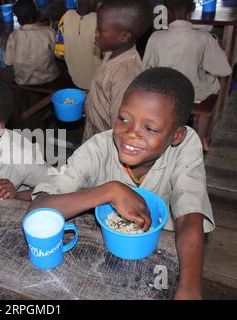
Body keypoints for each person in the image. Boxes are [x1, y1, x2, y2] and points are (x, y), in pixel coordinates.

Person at [29, 67, 215, 300]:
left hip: (162, 255)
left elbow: (189, 217)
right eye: (124, 119)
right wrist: (110, 191)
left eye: (150, 128)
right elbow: (37, 210)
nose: (130, 134)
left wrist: (189, 289)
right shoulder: (98, 148)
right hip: (100, 254)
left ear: (176, 136)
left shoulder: (186, 147)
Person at [82, 0, 152, 142]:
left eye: (100, 29)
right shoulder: (112, 52)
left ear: (124, 36)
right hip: (94, 132)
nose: (95, 33)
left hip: (105, 144)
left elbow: (121, 127)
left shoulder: (125, 76)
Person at [143, 0, 231, 103]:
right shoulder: (204, 37)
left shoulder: (155, 37)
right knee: (212, 79)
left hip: (163, 93)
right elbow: (225, 71)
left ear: (165, 12)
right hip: (193, 94)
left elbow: (145, 69)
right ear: (192, 11)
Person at [4, 0, 59, 86]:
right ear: (37, 14)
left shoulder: (13, 36)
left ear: (18, 19)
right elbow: (59, 54)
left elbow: (8, 62)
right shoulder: (49, 32)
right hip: (50, 79)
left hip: (23, 82)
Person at [54, 0, 102, 90]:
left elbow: (59, 53)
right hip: (99, 84)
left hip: (75, 81)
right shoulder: (101, 21)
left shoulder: (65, 17)